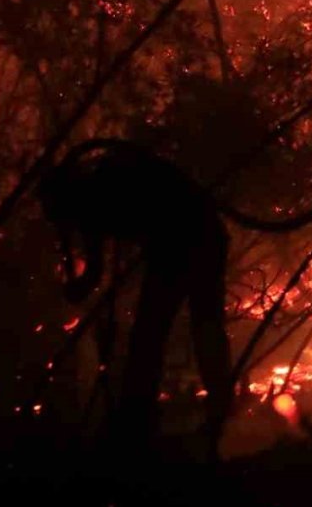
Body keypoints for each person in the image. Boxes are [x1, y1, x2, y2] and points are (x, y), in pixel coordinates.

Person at [38, 140, 232, 450]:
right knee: (178, 331)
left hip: (187, 237)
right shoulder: (94, 191)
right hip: (189, 237)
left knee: (160, 333)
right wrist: (77, 286)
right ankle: (166, 420)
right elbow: (94, 271)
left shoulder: (97, 193)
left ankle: (140, 425)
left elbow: (93, 271)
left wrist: (78, 288)